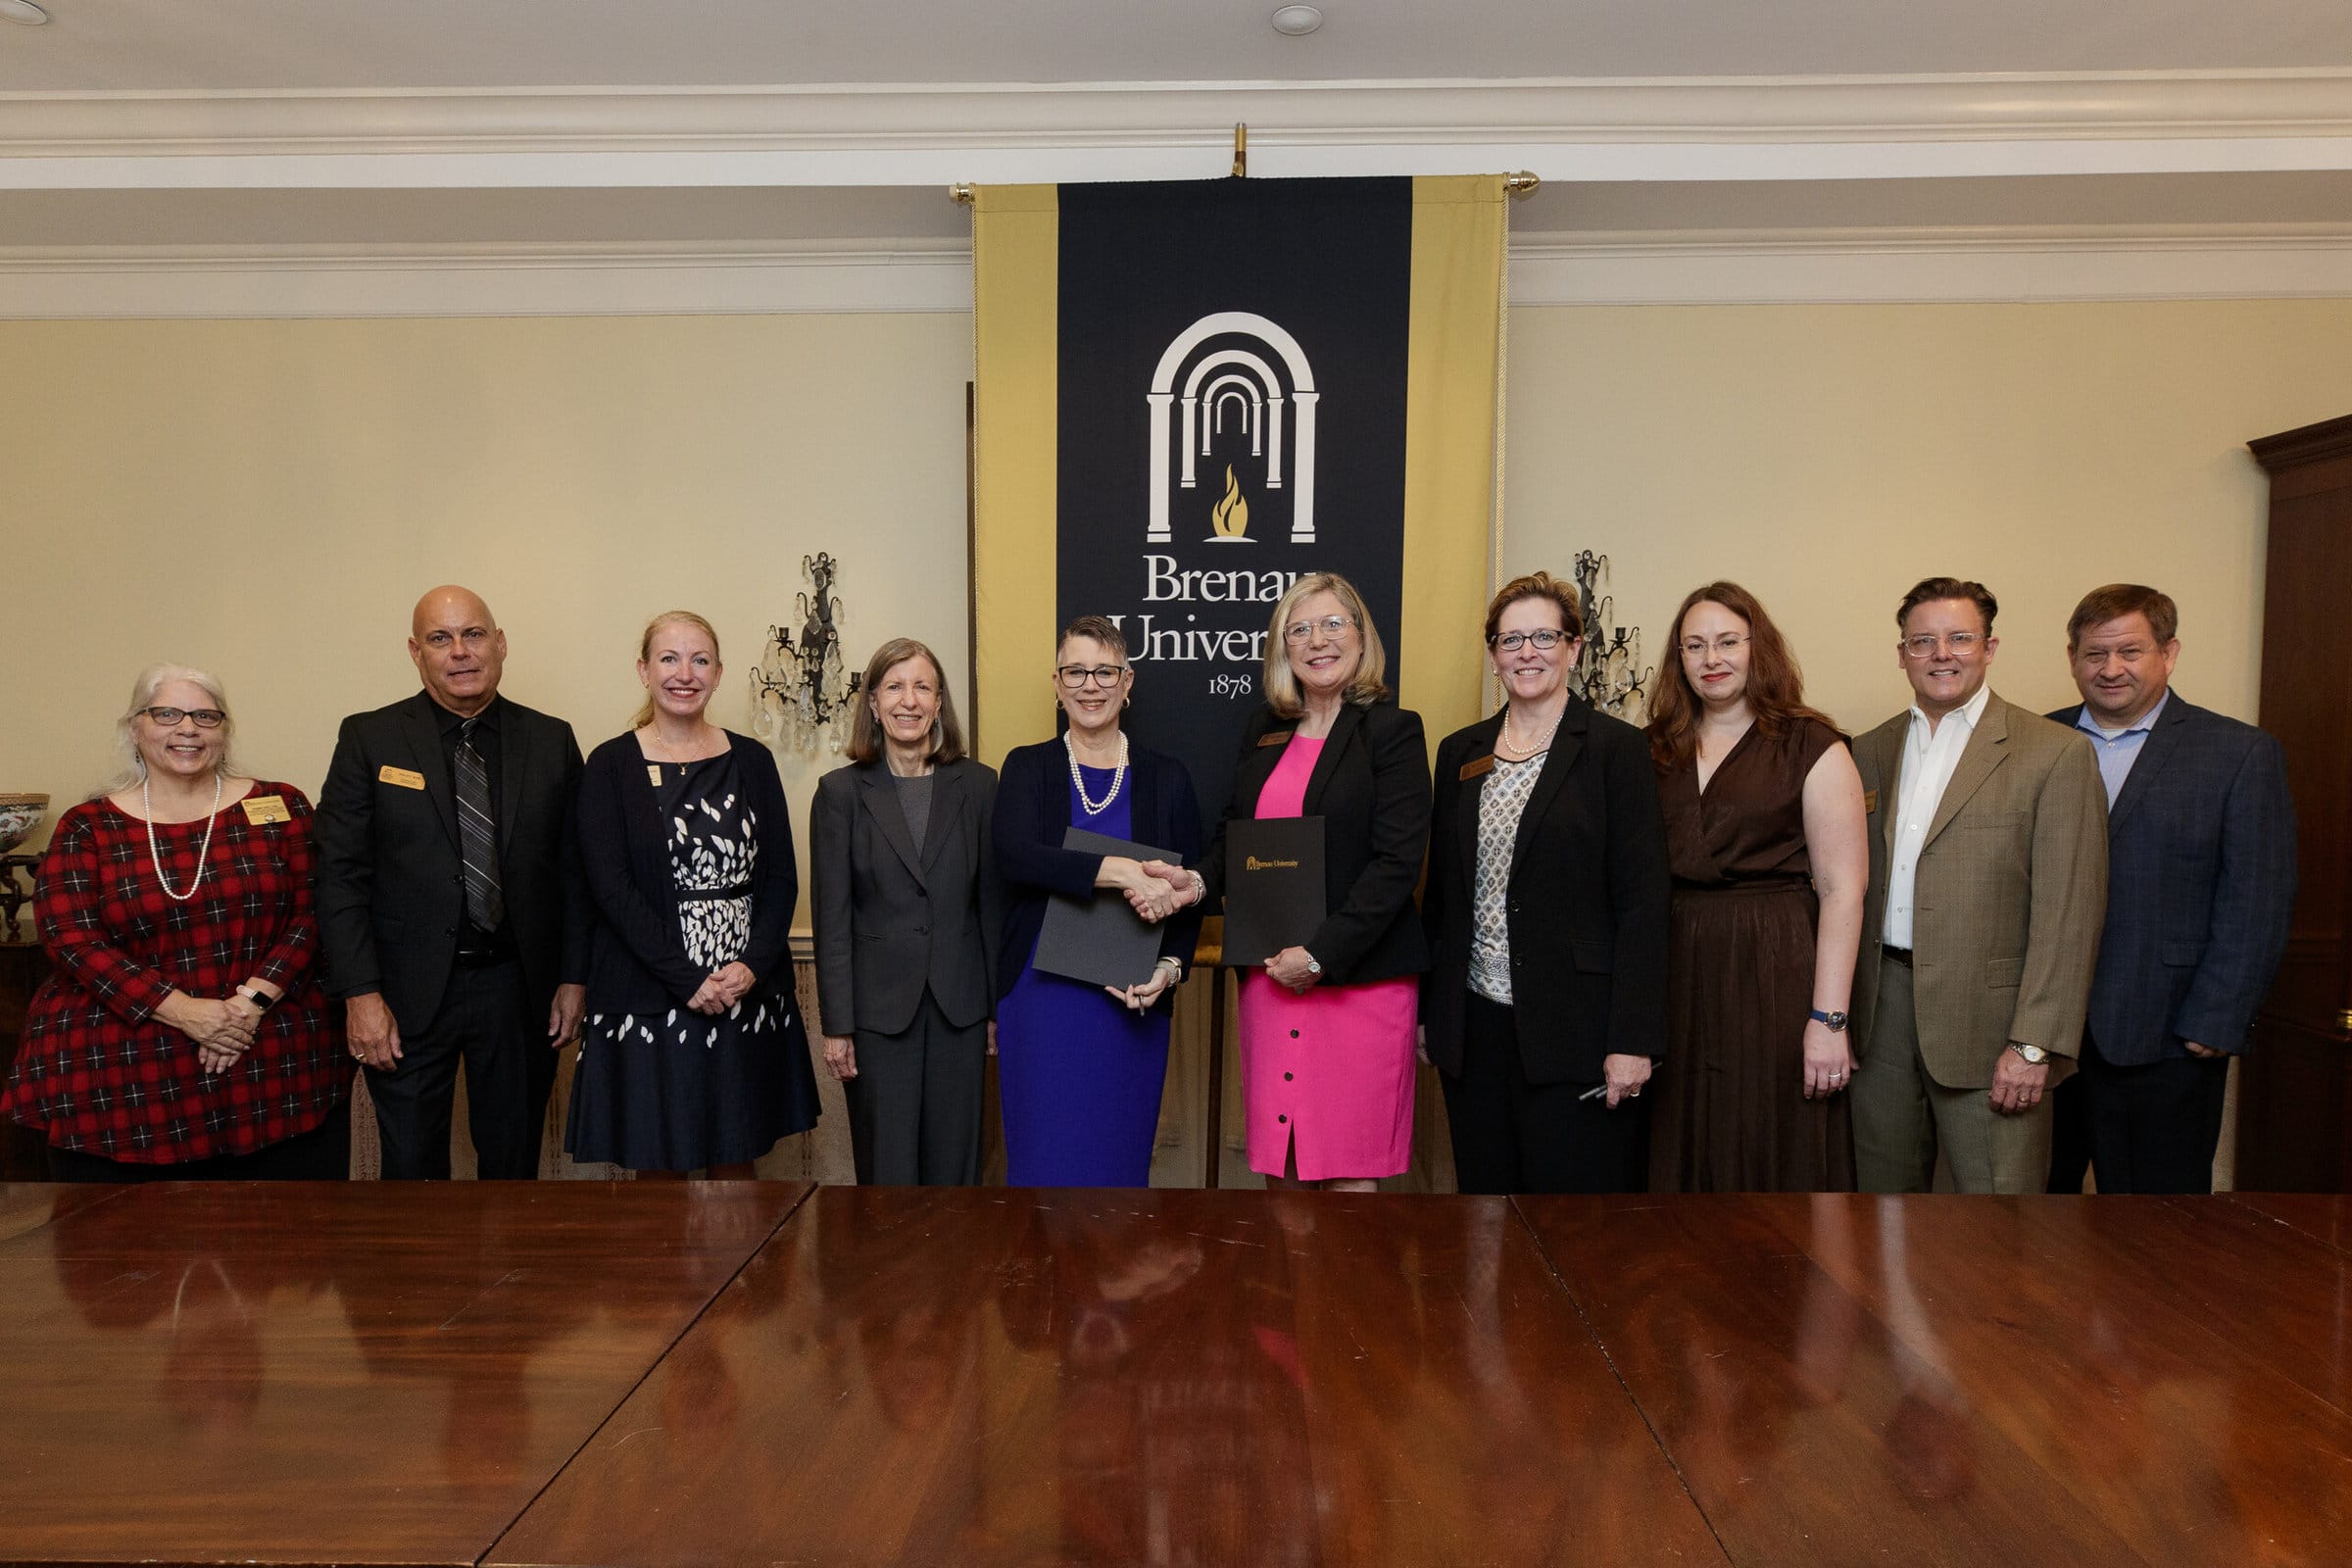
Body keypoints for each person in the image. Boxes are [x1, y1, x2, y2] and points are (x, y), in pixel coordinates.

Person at [4, 664, 349, 1179]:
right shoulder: (88, 825)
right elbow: (70, 937)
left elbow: (316, 911)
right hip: (122, 1064)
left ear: (225, 731)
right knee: (121, 1244)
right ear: (135, 728)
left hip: (268, 1049)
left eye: (205, 716)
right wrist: (185, 1012)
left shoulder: (280, 806)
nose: (187, 728)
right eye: (166, 713)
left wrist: (249, 1004)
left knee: (284, 1244)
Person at [316, 585, 589, 1180]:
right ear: (416, 652)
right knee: (411, 1170)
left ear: (500, 643)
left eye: (473, 634)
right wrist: (360, 996)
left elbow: (576, 873)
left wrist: (573, 978)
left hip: (518, 990)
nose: (459, 651)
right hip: (403, 995)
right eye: (441, 638)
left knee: (513, 1166)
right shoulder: (370, 739)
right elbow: (339, 876)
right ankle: (418, 1278)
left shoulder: (551, 740)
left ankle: (508, 1276)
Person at [1848, 576, 2108, 1195]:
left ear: (1989, 648)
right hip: (1880, 1011)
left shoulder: (2054, 754)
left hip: (1992, 1025)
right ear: (1902, 653)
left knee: (1999, 1219)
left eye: (1960, 638)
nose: (1942, 653)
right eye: (1923, 641)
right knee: (1881, 1207)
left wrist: (2035, 1045)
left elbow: (2069, 917)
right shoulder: (1867, 750)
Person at [1175, 572, 1429, 1192]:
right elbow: (1236, 833)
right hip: (1270, 978)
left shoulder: (1392, 733)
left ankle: (1346, 1296)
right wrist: (1195, 884)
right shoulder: (1265, 729)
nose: (1318, 640)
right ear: (1283, 649)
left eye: (1333, 624)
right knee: (1282, 1171)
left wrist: (1320, 955)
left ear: (1362, 638)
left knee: (1348, 1178)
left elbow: (1397, 865)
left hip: (1356, 981)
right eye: (1300, 628)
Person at [1421, 572, 1670, 1194]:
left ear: (1574, 647)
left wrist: (1632, 1040)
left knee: (1572, 1230)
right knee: (1484, 1213)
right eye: (1511, 640)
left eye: (1543, 636)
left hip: (1577, 1029)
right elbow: (1444, 895)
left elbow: (1643, 905)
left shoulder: (1617, 750)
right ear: (1493, 654)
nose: (1526, 652)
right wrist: (1434, 1013)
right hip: (1475, 1029)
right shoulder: (1460, 751)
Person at [2044, 584, 2295, 1194]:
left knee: (2157, 1234)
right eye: (2093, 654)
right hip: (2042, 1040)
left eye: (2129, 651)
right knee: (2030, 1225)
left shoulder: (2238, 754)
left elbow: (2257, 901)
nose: (2110, 670)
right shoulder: (2034, 743)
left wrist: (2217, 1019)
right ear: (2072, 657)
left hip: (2167, 1036)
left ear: (2169, 653)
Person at [567, 611, 820, 1176]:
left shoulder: (752, 760)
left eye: (700, 659)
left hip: (743, 991)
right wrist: (686, 978)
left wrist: (751, 966)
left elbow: (780, 877)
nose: (685, 673)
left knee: (738, 1164)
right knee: (658, 1168)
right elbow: (610, 889)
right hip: (649, 992)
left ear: (719, 673)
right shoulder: (609, 765)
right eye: (669, 658)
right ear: (643, 670)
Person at [1645, 582, 1868, 1192]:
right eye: (1694, 646)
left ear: (1757, 648)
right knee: (1681, 1133)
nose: (1711, 659)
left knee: (1768, 1131)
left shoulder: (1811, 745)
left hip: (1776, 964)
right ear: (1679, 659)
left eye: (1727, 642)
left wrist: (1829, 1018)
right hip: (1677, 965)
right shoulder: (1655, 749)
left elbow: (1843, 888)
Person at [991, 614, 1202, 1187]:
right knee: (1041, 1168)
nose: (1091, 685)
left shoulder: (1168, 778)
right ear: (1057, 685)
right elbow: (1014, 857)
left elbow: (1190, 894)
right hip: (1040, 1001)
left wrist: (1169, 968)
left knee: (1117, 1170)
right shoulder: (1026, 767)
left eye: (1105, 671)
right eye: (1076, 671)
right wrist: (1116, 871)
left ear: (1127, 682)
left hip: (1129, 1002)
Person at [810, 638, 1003, 1185]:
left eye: (922, 687)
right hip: (876, 1018)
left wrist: (995, 1011)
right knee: (887, 1175)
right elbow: (832, 922)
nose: (908, 700)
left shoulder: (980, 785)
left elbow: (991, 907)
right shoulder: (839, 794)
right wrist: (837, 1027)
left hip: (960, 1012)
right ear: (872, 703)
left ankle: (953, 1274)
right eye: (894, 687)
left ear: (940, 702)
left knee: (956, 1175)